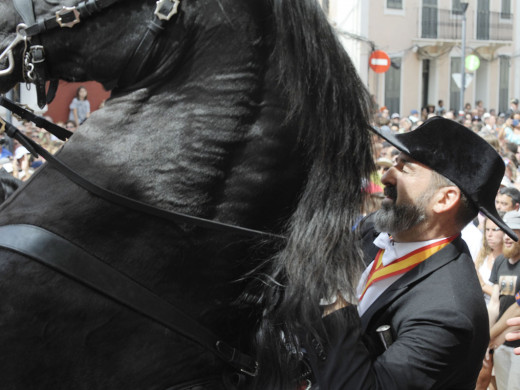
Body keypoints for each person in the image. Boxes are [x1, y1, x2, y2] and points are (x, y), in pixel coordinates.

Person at [305, 117, 516, 389]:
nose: (386, 176)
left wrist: (335, 286)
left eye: (404, 167)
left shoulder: (448, 312)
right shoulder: (375, 230)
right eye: (394, 162)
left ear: (444, 199)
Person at [486, 210, 520, 390]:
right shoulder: (500, 262)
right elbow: (494, 304)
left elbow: (518, 308)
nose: (508, 237)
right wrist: (489, 339)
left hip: (517, 345)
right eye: (505, 231)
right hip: (500, 343)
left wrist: (490, 337)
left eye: (514, 231)